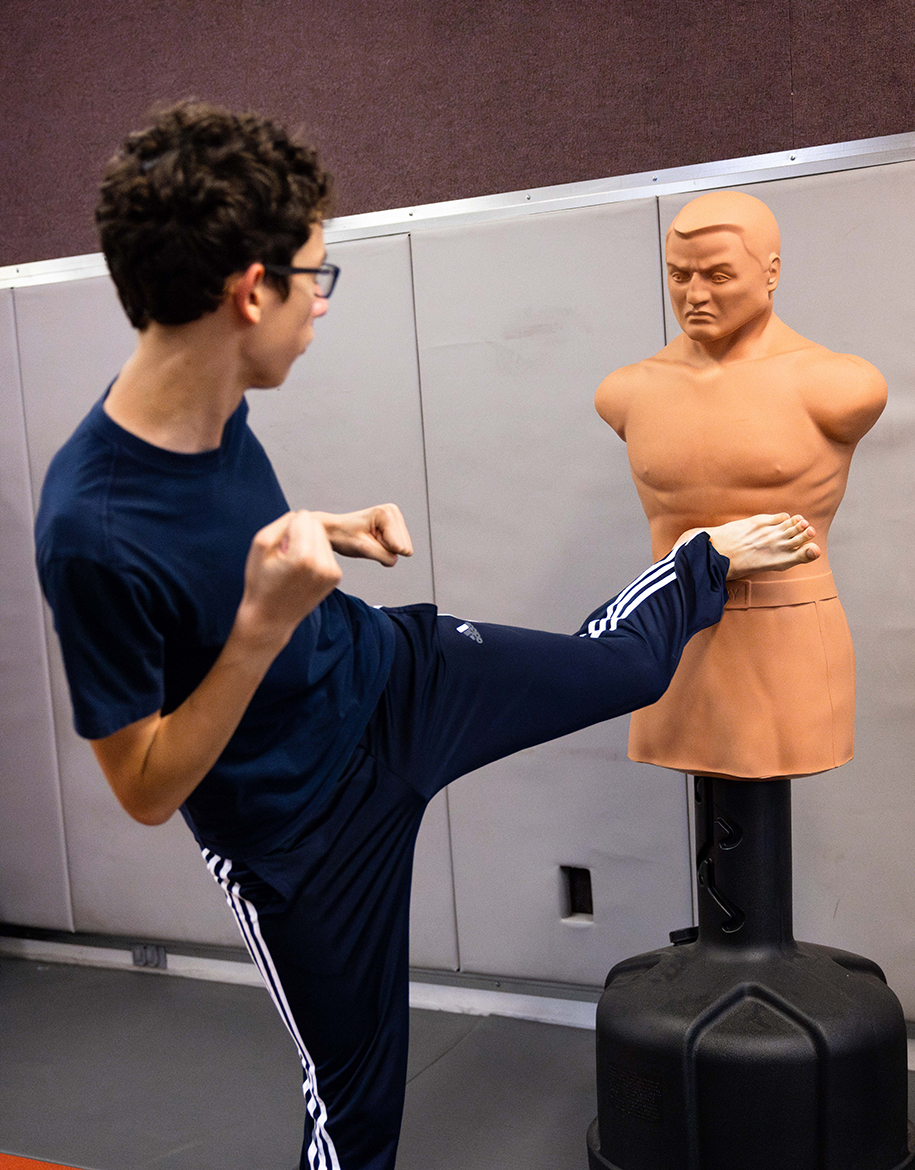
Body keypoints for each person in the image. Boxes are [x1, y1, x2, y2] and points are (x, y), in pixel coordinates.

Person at [34, 103, 820, 1170]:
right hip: (299, 839)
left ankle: (704, 557)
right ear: (249, 292)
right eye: (317, 276)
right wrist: (264, 624)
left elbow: (207, 557)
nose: (322, 304)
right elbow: (144, 784)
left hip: (390, 676)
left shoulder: (214, 389)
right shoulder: (89, 526)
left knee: (631, 661)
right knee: (355, 1116)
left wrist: (321, 529)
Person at [596, 189, 887, 780]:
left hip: (789, 642)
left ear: (771, 272)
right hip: (670, 635)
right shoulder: (626, 391)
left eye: (718, 274)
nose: (694, 295)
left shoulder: (837, 385)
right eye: (678, 275)